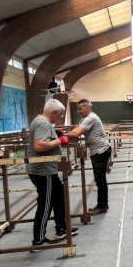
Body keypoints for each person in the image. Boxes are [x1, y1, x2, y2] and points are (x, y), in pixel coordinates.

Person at [27, 98, 78, 250]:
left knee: (59, 195)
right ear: (54, 112)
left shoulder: (42, 122)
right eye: (60, 115)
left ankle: (61, 228)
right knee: (45, 204)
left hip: (48, 170)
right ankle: (38, 240)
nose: (60, 118)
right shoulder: (43, 123)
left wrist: (55, 134)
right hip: (43, 171)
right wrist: (59, 141)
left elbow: (43, 138)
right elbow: (39, 146)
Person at [66, 99, 111, 215]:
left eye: (80, 109)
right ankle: (102, 204)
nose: (78, 111)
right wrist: (64, 134)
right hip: (97, 151)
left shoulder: (91, 118)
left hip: (101, 151)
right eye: (77, 109)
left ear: (87, 108)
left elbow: (76, 134)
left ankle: (102, 206)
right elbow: (75, 130)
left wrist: (59, 135)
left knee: (100, 180)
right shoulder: (84, 119)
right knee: (99, 179)